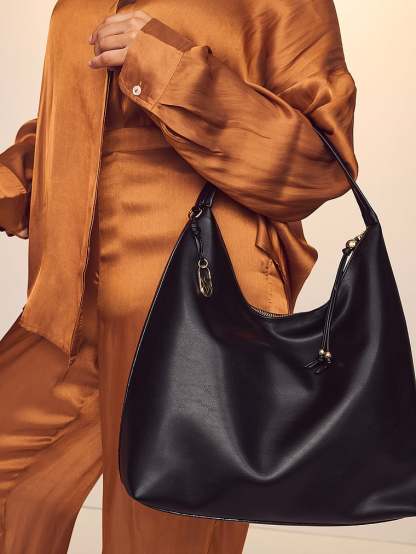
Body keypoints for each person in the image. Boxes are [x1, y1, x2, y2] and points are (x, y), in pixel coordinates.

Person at [0, 0, 358, 552]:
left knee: (162, 536)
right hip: (68, 304)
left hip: (200, 302)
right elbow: (79, 117)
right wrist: (15, 179)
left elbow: (320, 161)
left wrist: (170, 68)